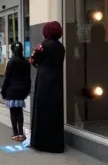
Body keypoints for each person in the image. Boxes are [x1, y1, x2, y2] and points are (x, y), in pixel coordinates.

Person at [30, 21, 65, 153]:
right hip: (57, 80)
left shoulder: (43, 45)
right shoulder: (61, 47)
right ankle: (55, 144)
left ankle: (41, 143)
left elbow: (33, 60)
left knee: (42, 110)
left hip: (44, 81)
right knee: (55, 111)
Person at [0, 42, 31, 142]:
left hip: (11, 91)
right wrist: (27, 91)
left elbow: (7, 79)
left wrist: (3, 92)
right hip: (21, 91)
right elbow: (28, 79)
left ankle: (15, 134)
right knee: (20, 112)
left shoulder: (11, 62)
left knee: (13, 112)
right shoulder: (26, 62)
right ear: (22, 50)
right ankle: (21, 134)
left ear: (12, 50)